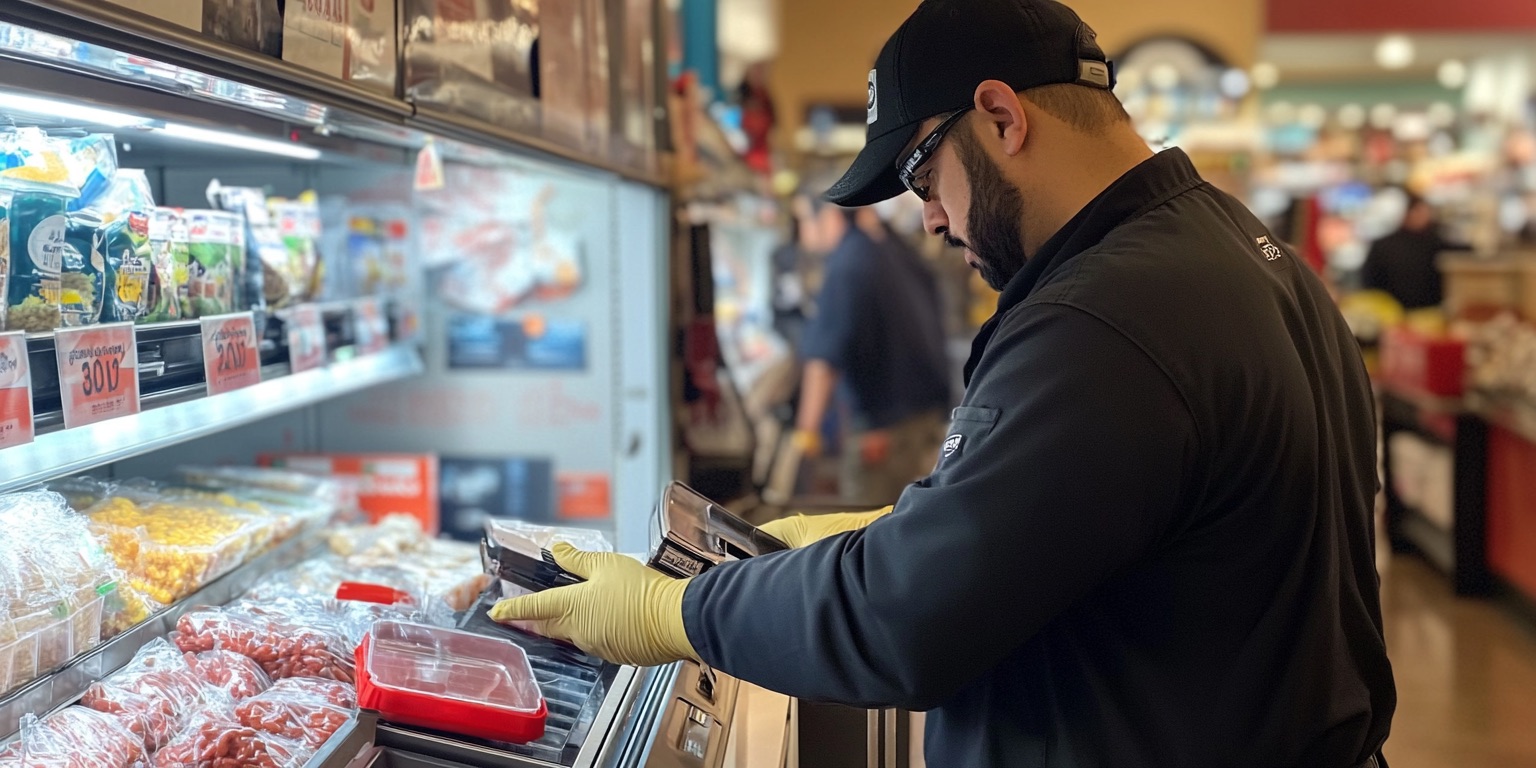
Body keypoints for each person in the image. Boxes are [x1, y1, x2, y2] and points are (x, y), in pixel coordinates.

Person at [488, 1, 1397, 766]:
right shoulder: (1232, 246)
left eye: (922, 172)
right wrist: (901, 530)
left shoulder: (1105, 319)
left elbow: (902, 623)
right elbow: (1128, 521)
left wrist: (668, 608)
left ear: (1001, 116)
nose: (926, 218)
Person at [791, 179, 952, 505]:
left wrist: (804, 438)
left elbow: (823, 362)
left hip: (883, 431)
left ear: (831, 217)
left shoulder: (847, 263)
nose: (803, 233)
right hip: (923, 419)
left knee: (870, 528)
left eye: (805, 221)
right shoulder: (888, 248)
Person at [1361, 192, 1447, 309]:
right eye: (1419, 211)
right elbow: (1370, 281)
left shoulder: (1436, 242)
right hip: (1389, 312)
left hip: (1429, 313)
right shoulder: (1383, 245)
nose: (1424, 217)